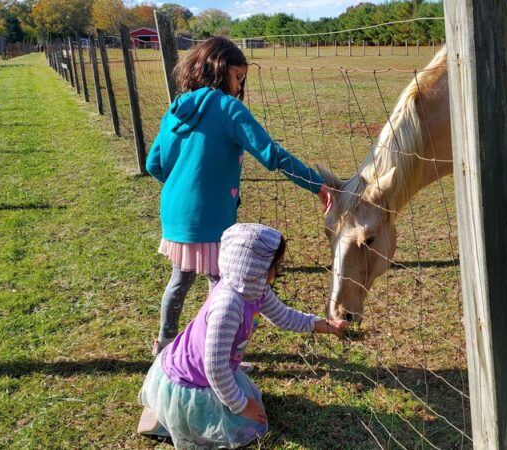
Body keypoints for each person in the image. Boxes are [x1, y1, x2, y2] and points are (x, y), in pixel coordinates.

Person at [146, 37, 333, 357]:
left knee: (181, 280)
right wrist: (315, 183)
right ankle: (221, 352)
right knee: (224, 288)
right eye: (238, 77)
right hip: (212, 218)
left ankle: (165, 344)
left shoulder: (176, 109)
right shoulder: (229, 109)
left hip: (175, 216)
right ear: (220, 70)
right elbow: (271, 154)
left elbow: (154, 164)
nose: (239, 86)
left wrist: (182, 185)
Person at [137, 223, 349, 448]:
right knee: (240, 427)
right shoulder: (228, 306)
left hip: (216, 368)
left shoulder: (255, 290)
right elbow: (215, 369)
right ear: (256, 267)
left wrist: (325, 325)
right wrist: (241, 405)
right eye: (276, 264)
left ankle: (170, 417)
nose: (280, 268)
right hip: (193, 378)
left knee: (244, 411)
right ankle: (170, 420)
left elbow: (284, 316)